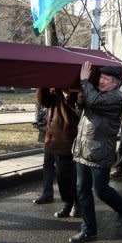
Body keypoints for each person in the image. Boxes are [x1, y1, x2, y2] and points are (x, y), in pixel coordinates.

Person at [69, 61, 122, 243]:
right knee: (82, 190)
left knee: (101, 190)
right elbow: (85, 105)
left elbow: (94, 101)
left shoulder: (115, 98)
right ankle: (89, 230)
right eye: (101, 77)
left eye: (107, 79)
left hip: (100, 153)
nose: (102, 81)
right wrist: (79, 96)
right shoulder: (96, 92)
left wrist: (83, 81)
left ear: (116, 83)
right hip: (82, 149)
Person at [36, 88, 81, 218]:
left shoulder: (78, 92)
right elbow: (44, 101)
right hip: (55, 141)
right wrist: (42, 84)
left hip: (69, 142)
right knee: (62, 177)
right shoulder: (55, 92)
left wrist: (67, 96)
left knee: (71, 176)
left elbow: (79, 112)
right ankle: (68, 203)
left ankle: (77, 204)